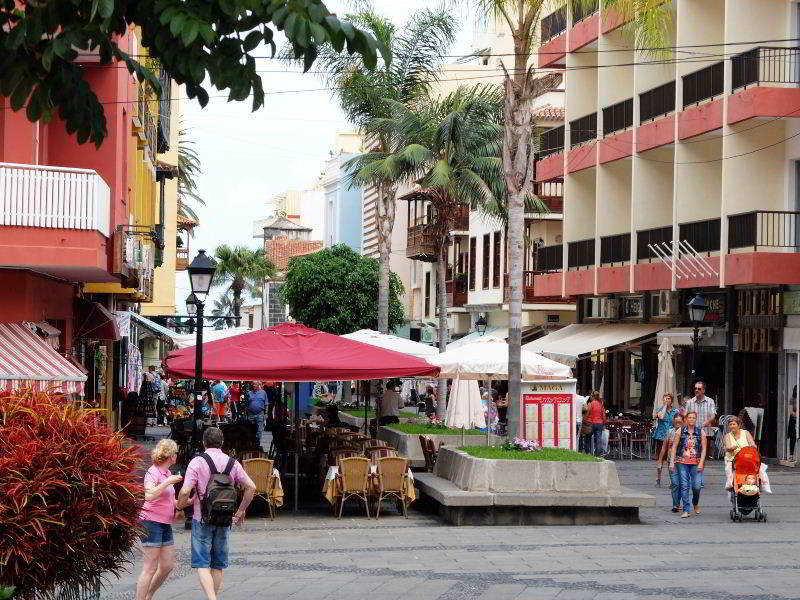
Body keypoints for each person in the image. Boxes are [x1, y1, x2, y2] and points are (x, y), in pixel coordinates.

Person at [177, 427, 256, 600]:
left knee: (202, 564)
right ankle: (214, 597)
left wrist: (180, 507)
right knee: (218, 565)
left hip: (201, 518)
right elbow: (252, 487)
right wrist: (241, 511)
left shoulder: (197, 462)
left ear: (203, 442)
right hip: (225, 519)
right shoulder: (232, 463)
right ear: (222, 442)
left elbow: (184, 491)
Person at [136, 439, 182, 600]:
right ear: (170, 456)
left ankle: (148, 595)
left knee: (168, 565)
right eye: (175, 453)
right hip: (151, 522)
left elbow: (170, 501)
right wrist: (167, 482)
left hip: (164, 523)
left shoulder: (168, 473)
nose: (177, 455)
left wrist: (186, 502)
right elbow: (149, 495)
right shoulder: (153, 472)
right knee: (150, 568)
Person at [669, 411, 707, 519]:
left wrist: (701, 462)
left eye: (693, 418)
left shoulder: (701, 432)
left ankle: (695, 502)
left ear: (696, 419)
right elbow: (674, 447)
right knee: (684, 485)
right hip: (682, 462)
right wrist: (672, 462)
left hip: (696, 462)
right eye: (689, 417)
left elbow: (704, 449)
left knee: (697, 486)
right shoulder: (680, 431)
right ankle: (686, 509)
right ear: (686, 419)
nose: (691, 419)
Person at [656, 414, 684, 511]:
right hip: (671, 461)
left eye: (680, 422)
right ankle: (675, 505)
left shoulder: (686, 433)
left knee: (682, 484)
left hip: (684, 461)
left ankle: (678, 502)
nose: (678, 424)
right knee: (675, 483)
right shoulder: (669, 432)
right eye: (676, 422)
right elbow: (664, 448)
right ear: (673, 422)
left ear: (683, 422)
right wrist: (660, 460)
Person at [723, 416, 756, 490]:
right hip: (732, 459)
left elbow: (752, 443)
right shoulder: (727, 436)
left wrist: (753, 447)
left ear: (739, 425)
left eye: (734, 424)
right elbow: (727, 447)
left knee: (758, 469)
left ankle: (756, 486)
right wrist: (731, 448)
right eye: (730, 424)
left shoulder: (745, 433)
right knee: (730, 472)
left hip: (746, 458)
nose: (732, 426)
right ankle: (731, 484)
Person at [653, 393, 679, 483]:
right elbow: (661, 416)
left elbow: (678, 422)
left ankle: (672, 479)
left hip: (672, 436)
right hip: (661, 436)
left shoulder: (675, 411)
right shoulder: (660, 409)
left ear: (671, 401)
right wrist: (664, 406)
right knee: (660, 457)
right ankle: (658, 477)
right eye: (665, 399)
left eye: (668, 399)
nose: (666, 400)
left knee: (671, 457)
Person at [246, 381, 267, 449]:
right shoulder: (249, 393)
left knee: (259, 430)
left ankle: (257, 444)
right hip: (251, 414)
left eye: (255, 384)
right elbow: (246, 403)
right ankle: (250, 443)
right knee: (250, 429)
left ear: (258, 385)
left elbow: (266, 404)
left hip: (260, 413)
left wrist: (266, 413)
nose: (254, 386)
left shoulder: (263, 393)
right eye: (253, 384)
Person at [585, 391, 606, 456]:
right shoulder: (601, 404)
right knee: (598, 439)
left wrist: (585, 420)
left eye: (591, 396)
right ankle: (598, 454)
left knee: (588, 438)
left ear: (593, 396)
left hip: (591, 423)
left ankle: (588, 452)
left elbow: (587, 413)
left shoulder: (590, 404)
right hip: (600, 423)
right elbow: (603, 415)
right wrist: (604, 423)